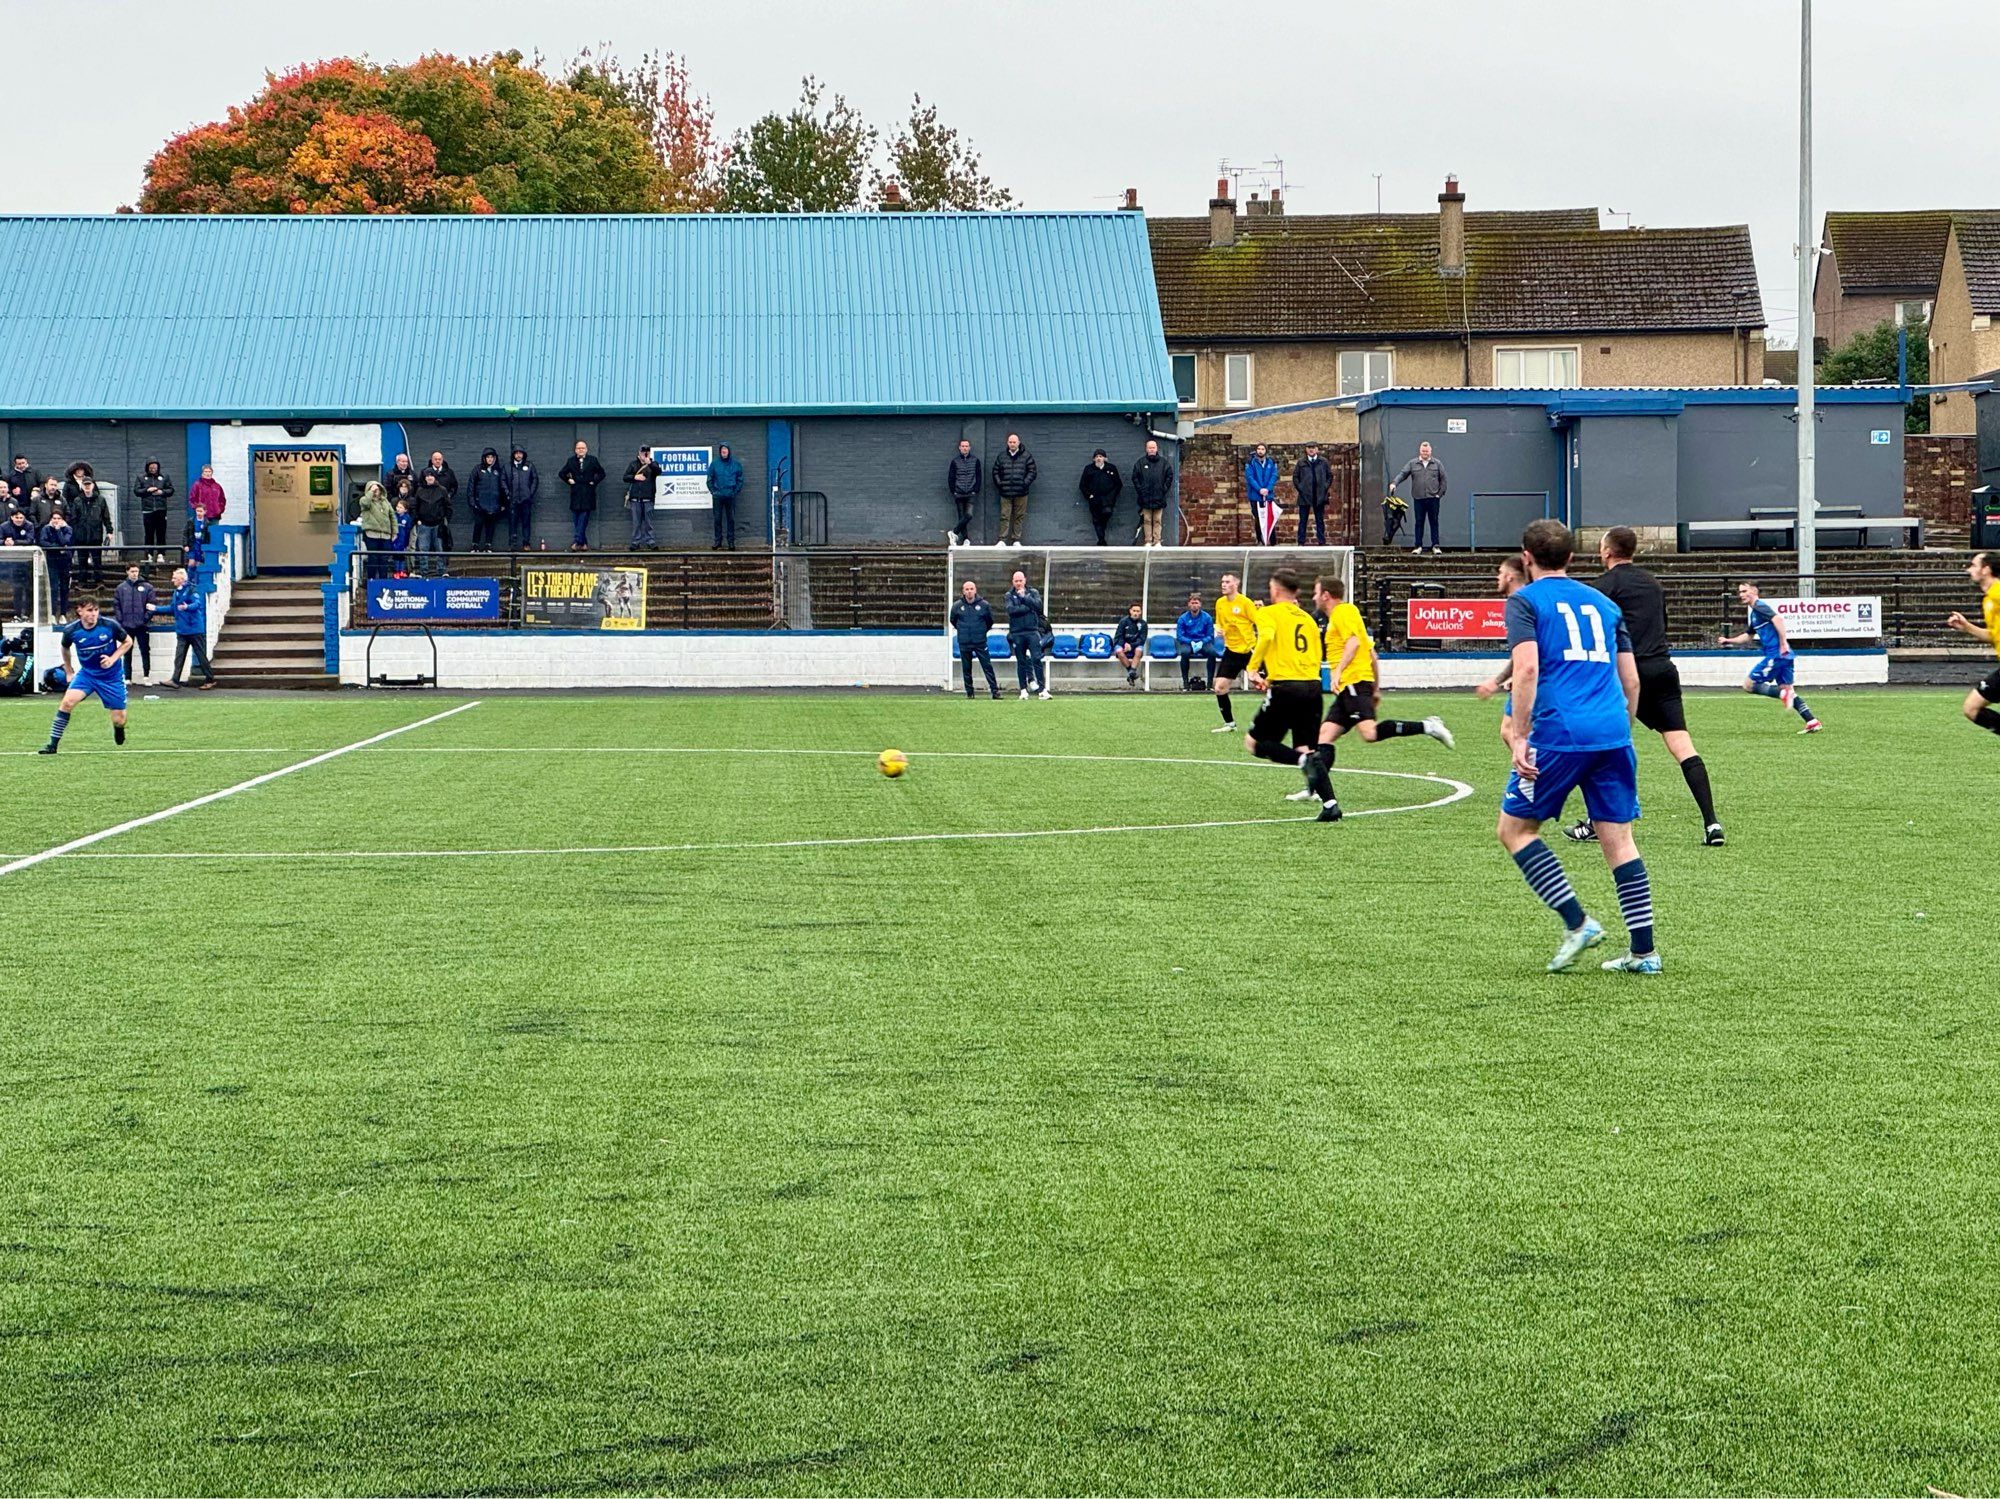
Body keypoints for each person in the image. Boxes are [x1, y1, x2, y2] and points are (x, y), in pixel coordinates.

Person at [1498, 519, 1659, 975]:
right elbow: (1630, 679)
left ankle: (1578, 923)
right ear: (1571, 558)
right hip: (1612, 732)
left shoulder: (1525, 602)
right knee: (1621, 842)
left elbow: (1526, 669)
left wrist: (1521, 735)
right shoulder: (1606, 605)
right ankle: (1644, 953)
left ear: (1525, 558)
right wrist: (1619, 730)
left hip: (1559, 736)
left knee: (1516, 831)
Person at [1564, 527, 1724, 846]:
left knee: (1606, 749)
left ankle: (1601, 823)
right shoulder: (1652, 583)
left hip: (1626, 674)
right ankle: (1712, 824)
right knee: (1683, 748)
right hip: (1663, 670)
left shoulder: (1601, 588)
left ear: (1607, 551)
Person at [1287, 576, 1455, 814]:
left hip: (1354, 681)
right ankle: (1314, 788)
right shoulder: (1342, 616)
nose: (1313, 597)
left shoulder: (1344, 612)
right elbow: (1372, 654)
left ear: (1326, 595)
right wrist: (1376, 688)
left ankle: (1428, 726)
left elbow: (1354, 643)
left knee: (1369, 733)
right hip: (1352, 686)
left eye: (1316, 593)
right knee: (1323, 737)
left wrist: (1337, 672)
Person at [1243, 568, 1340, 820]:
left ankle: (1301, 763)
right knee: (1305, 747)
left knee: (1254, 743)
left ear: (1274, 590)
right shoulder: (1308, 619)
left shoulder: (1267, 613)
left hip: (1287, 688)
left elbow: (1266, 637)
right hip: (1313, 686)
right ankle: (1330, 805)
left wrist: (1253, 668)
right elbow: (1316, 654)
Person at [1719, 581, 1820, 734]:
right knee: (1787, 689)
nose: (1741, 595)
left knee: (1749, 685)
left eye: (1744, 591)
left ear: (1754, 591)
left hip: (1776, 654)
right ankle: (1811, 721)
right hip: (1784, 655)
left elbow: (1778, 619)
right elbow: (1748, 636)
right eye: (1739, 592)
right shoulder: (1754, 614)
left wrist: (1783, 643)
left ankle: (1783, 695)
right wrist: (1729, 640)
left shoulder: (1760, 606)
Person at [36, 595, 132, 753]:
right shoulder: (71, 630)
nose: (93, 614)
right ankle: (52, 745)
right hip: (87, 675)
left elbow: (128, 641)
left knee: (119, 720)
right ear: (79, 611)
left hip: (111, 677)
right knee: (67, 703)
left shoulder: (109, 625)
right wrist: (69, 670)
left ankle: (118, 728)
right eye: (89, 610)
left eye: (96, 610)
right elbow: (64, 648)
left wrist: (113, 659)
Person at [1945, 550, 2000, 740]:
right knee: (1971, 708)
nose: (1969, 570)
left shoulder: (1998, 593)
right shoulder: (1989, 600)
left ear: (1986, 569)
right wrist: (1966, 627)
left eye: (1974, 565)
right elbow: (1994, 636)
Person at [1208, 571, 1260, 732]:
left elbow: (1259, 622)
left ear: (1236, 584)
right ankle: (1230, 724)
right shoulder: (1220, 603)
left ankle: (1284, 720)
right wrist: (1218, 629)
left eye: (1227, 582)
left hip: (1249, 651)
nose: (1223, 584)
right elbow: (1219, 623)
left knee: (1267, 685)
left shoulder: (1245, 603)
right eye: (1222, 581)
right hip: (1231, 651)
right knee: (1219, 687)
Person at [1389, 440, 1447, 554]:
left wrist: (1439, 495)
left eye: (1427, 451)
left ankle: (1435, 545)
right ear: (1420, 451)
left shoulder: (1437, 464)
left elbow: (1444, 480)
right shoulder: (1412, 463)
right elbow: (1403, 474)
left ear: (1431, 451)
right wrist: (1394, 483)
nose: (1425, 453)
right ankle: (1418, 546)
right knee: (1419, 522)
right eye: (1423, 451)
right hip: (1418, 498)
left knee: (1434, 521)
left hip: (1433, 499)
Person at [1003, 568, 1051, 699]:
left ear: (1025, 580)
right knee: (1021, 661)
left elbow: (1038, 606)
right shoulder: (1008, 595)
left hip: (1032, 631)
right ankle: (1023, 690)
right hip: (1017, 633)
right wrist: (1028, 607)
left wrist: (1024, 599)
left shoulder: (1033, 592)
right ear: (1013, 582)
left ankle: (1042, 689)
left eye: (1020, 580)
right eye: (1016, 581)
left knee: (1036, 659)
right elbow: (1011, 610)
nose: (1018, 583)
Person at [950, 578, 1000, 699]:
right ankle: (970, 693)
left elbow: (989, 622)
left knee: (987, 666)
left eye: (971, 589)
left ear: (975, 590)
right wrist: (963, 631)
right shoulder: (957, 606)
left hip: (980, 641)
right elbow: (953, 620)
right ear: (963, 591)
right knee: (966, 668)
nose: (969, 591)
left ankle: (995, 692)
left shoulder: (984, 605)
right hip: (964, 642)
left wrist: (981, 632)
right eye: (967, 589)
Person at [166, 566, 215, 689]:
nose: (172, 580)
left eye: (175, 578)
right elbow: (172, 608)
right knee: (179, 656)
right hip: (182, 630)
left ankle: (210, 679)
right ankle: (175, 680)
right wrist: (155, 609)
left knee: (200, 655)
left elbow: (197, 604)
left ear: (182, 579)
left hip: (194, 630)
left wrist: (187, 607)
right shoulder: (176, 592)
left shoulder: (191, 590)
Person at [111, 563, 158, 683]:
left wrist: (144, 619)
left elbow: (152, 604)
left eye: (136, 571)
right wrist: (121, 620)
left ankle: (146, 676)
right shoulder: (121, 588)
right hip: (127, 625)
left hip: (141, 625)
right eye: (132, 571)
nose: (134, 574)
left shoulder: (147, 587)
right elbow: (116, 606)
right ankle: (127, 677)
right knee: (127, 651)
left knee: (145, 650)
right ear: (127, 572)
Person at [67, 475, 112, 589]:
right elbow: (73, 519)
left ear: (93, 486)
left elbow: (106, 517)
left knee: (97, 560)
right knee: (82, 560)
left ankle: (99, 581)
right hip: (81, 536)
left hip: (96, 535)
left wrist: (109, 531)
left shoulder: (101, 500)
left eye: (89, 484)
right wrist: (75, 532)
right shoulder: (77, 501)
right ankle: (82, 582)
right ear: (82, 486)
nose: (87, 487)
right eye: (85, 484)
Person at [992, 434, 1037, 547]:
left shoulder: (1026, 456)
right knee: (1004, 516)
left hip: (1021, 493)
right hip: (1005, 492)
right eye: (1010, 442)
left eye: (1014, 442)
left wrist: (1024, 483)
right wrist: (1000, 484)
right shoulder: (1001, 456)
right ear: (1007, 443)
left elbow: (1032, 471)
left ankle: (1016, 540)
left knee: (1019, 516)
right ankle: (1002, 539)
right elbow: (995, 471)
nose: (1012, 444)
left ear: (1018, 443)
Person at [1130, 439, 1173, 547]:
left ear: (1156, 448)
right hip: (1145, 498)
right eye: (1150, 447)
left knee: (1157, 520)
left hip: (1159, 497)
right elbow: (1135, 477)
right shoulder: (1140, 463)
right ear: (1146, 449)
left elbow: (1170, 476)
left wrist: (1164, 488)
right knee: (1147, 520)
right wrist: (1141, 490)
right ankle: (1148, 541)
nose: (1152, 449)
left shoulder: (1164, 463)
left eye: (1153, 447)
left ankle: (1157, 541)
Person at [465, 448, 508, 552]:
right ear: (484, 458)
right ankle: (475, 545)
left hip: (494, 504)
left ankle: (488, 545)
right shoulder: (477, 469)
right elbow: (471, 486)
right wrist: (472, 502)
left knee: (491, 525)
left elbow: (503, 487)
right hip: (479, 504)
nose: (490, 459)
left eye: (492, 457)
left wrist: (503, 503)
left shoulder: (498, 471)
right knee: (478, 524)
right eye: (488, 457)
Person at [1078, 449, 1123, 546]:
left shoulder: (1111, 468)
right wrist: (1089, 496)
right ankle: (1101, 540)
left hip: (1108, 500)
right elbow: (1082, 485)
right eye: (1097, 457)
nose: (1099, 458)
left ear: (1105, 458)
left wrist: (1112, 496)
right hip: (1094, 500)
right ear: (1094, 459)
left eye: (1101, 456)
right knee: (1096, 519)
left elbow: (1118, 484)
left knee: (1106, 514)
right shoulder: (1089, 469)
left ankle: (1101, 536)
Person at [1174, 593, 1219, 690]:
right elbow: (1180, 636)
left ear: (1200, 604)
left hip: (1203, 642)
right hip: (1188, 643)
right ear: (1189, 604)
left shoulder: (1207, 617)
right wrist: (1191, 642)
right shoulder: (1182, 618)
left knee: (1212, 653)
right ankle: (1186, 684)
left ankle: (1209, 685)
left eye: (1196, 603)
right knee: (1184, 653)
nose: (1194, 605)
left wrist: (1202, 642)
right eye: (1192, 603)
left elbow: (1210, 635)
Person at [133, 459, 176, 560]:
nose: (153, 469)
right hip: (147, 509)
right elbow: (136, 491)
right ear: (148, 467)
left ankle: (161, 554)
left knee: (161, 532)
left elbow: (171, 490)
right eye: (151, 467)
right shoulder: (141, 478)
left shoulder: (164, 477)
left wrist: (161, 492)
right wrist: (147, 490)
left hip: (161, 509)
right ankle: (149, 554)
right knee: (149, 533)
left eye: (155, 467)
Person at [706, 443, 744, 551]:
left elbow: (740, 480)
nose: (724, 452)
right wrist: (713, 491)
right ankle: (718, 541)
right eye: (722, 450)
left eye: (725, 450)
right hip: (718, 496)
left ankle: (731, 542)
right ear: (720, 452)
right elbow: (709, 479)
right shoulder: (714, 464)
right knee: (717, 519)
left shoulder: (736, 464)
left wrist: (734, 492)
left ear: (729, 451)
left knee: (731, 519)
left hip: (730, 496)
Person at [619, 446, 659, 550]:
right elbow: (625, 477)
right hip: (635, 498)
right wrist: (634, 477)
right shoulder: (633, 464)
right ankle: (635, 542)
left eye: (647, 452)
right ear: (639, 453)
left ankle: (650, 541)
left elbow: (658, 471)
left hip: (648, 498)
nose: (645, 454)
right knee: (636, 522)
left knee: (648, 522)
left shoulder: (653, 465)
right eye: (643, 453)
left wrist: (649, 462)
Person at [354, 480, 395, 578]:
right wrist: (371, 492)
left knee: (384, 559)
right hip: (371, 534)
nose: (376, 490)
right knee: (373, 558)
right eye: (373, 488)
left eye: (377, 488)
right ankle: (371, 580)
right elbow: (365, 503)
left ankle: (383, 580)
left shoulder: (386, 502)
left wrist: (395, 532)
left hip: (385, 535)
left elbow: (392, 516)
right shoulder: (364, 500)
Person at [1294, 442, 1333, 546]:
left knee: (1320, 520)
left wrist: (1325, 487)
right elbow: (1295, 477)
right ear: (1306, 450)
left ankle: (1321, 542)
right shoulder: (1301, 462)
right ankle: (1301, 542)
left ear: (1317, 450)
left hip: (1319, 495)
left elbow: (1330, 476)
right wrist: (1301, 488)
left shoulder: (1323, 462)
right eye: (1309, 448)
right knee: (1303, 520)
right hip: (1304, 496)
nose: (1311, 450)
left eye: (1313, 448)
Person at [412, 470, 450, 576]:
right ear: (424, 478)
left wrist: (445, 520)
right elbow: (415, 506)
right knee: (423, 549)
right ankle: (423, 572)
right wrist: (417, 520)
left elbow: (448, 506)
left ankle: (441, 571)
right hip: (423, 524)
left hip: (439, 525)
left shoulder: (442, 490)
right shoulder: (420, 491)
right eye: (427, 476)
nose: (429, 478)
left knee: (440, 549)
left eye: (431, 476)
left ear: (435, 477)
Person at [2, 504, 36, 619]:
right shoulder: (4, 526)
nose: (19, 520)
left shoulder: (29, 526)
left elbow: (30, 540)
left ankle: (27, 614)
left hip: (28, 562)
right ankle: (17, 614)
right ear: (12, 517)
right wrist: (4, 542)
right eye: (17, 518)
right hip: (12, 562)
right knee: (17, 589)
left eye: (21, 518)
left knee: (29, 589)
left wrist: (15, 542)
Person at [39, 506, 72, 620]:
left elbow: (65, 541)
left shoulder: (68, 529)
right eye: (54, 518)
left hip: (65, 562)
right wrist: (58, 547)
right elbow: (43, 542)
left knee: (64, 588)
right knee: (53, 588)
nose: (56, 520)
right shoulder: (46, 529)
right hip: (52, 561)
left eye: (58, 518)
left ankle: (63, 614)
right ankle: (52, 613)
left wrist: (58, 530)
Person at [946, 439, 982, 546]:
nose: (965, 448)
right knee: (962, 517)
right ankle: (966, 539)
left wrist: (976, 489)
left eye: (966, 446)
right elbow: (951, 477)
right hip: (959, 493)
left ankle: (954, 532)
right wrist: (954, 491)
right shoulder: (955, 461)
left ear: (969, 448)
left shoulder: (975, 461)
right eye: (963, 446)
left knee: (969, 515)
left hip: (971, 493)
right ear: (959, 448)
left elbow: (979, 476)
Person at [505, 446, 539, 551]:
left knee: (526, 522)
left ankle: (526, 543)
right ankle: (512, 544)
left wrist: (530, 493)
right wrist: (508, 493)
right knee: (512, 522)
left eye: (520, 453)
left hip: (526, 500)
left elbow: (535, 480)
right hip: (513, 500)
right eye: (516, 453)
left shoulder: (529, 466)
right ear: (513, 455)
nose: (518, 455)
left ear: (523, 454)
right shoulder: (508, 466)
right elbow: (502, 480)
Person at [1245, 443, 1280, 545]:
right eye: (1258, 449)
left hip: (1268, 495)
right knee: (1258, 519)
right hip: (1255, 495)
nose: (1260, 451)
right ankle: (1260, 540)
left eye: (1262, 449)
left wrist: (1267, 489)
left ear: (1266, 451)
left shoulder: (1271, 462)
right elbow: (1250, 477)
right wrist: (1259, 489)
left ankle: (1272, 541)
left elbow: (1274, 476)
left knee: (1270, 518)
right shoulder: (1251, 462)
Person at [1111, 602, 1148, 685]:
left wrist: (1131, 646)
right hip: (1123, 645)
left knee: (1139, 650)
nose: (1136, 613)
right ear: (1130, 611)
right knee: (1119, 651)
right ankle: (1132, 673)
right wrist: (1124, 645)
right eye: (1134, 610)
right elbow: (1118, 636)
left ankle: (1131, 675)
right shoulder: (1123, 621)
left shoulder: (1143, 624)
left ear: (1141, 612)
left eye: (1138, 611)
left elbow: (1142, 639)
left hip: (1135, 645)